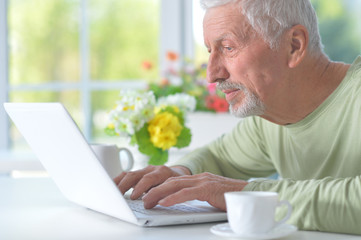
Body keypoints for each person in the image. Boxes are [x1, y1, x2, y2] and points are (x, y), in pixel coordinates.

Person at [114, 0, 361, 235]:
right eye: (210, 51)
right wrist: (179, 173)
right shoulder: (270, 117)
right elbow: (218, 157)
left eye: (228, 48)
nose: (212, 75)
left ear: (294, 46)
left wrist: (247, 194)